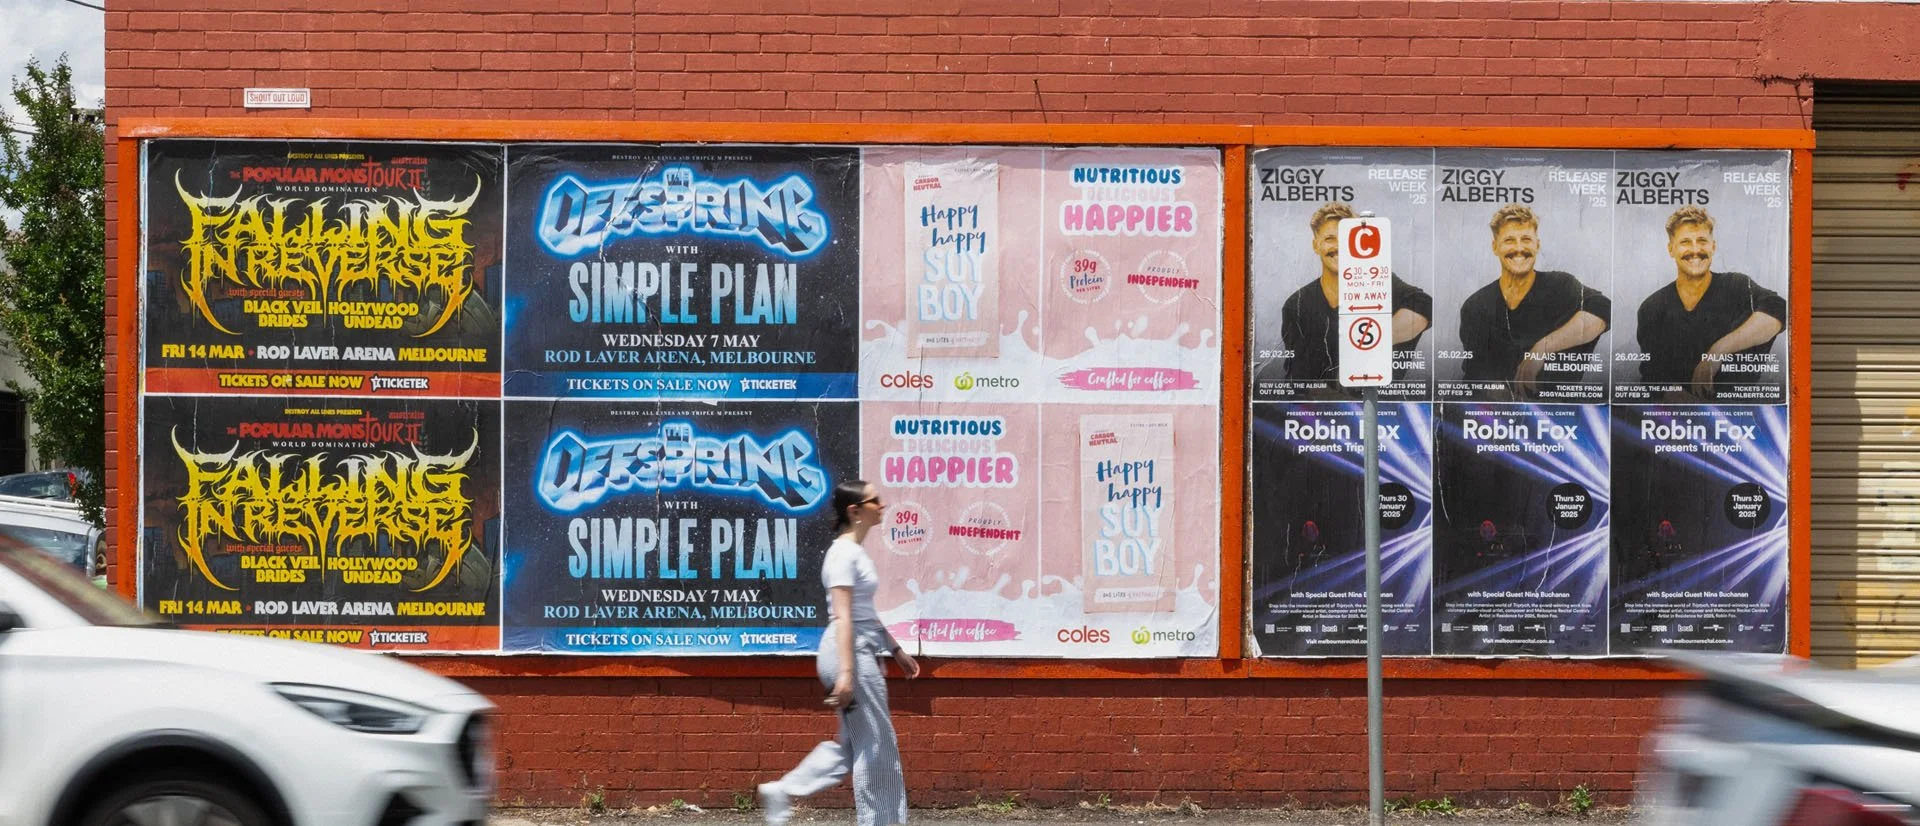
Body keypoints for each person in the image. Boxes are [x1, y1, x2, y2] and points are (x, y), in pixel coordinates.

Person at [760, 480, 920, 826]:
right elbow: (844, 615)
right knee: (877, 744)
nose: (883, 505)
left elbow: (863, 612)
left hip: (857, 649)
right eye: (875, 501)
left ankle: (783, 789)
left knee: (854, 746)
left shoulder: (853, 553)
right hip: (850, 653)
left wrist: (895, 649)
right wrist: (847, 673)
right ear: (855, 510)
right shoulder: (843, 554)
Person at [1457, 204, 1611, 395]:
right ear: (1495, 246)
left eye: (1526, 239)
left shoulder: (1561, 286)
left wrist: (1540, 350)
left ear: (1537, 245)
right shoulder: (1476, 306)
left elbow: (1602, 311)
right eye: (1509, 240)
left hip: (1562, 415)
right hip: (1500, 418)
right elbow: (1476, 375)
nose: (1519, 248)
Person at [1635, 205, 1786, 399]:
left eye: (1702, 241)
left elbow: (1778, 310)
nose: (1696, 250)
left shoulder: (1737, 286)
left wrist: (1716, 353)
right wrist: (1695, 411)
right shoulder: (1652, 308)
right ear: (1671, 249)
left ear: (1713, 247)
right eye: (1685, 242)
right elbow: (1653, 378)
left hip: (1740, 419)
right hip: (1677, 422)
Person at [1278, 203, 1433, 391]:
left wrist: (1371, 341)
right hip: (1323, 413)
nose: (1338, 247)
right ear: (1315, 245)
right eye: (1329, 238)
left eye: (1345, 239)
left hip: (1385, 413)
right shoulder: (1297, 304)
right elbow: (1298, 380)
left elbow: (1423, 305)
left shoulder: (1379, 282)